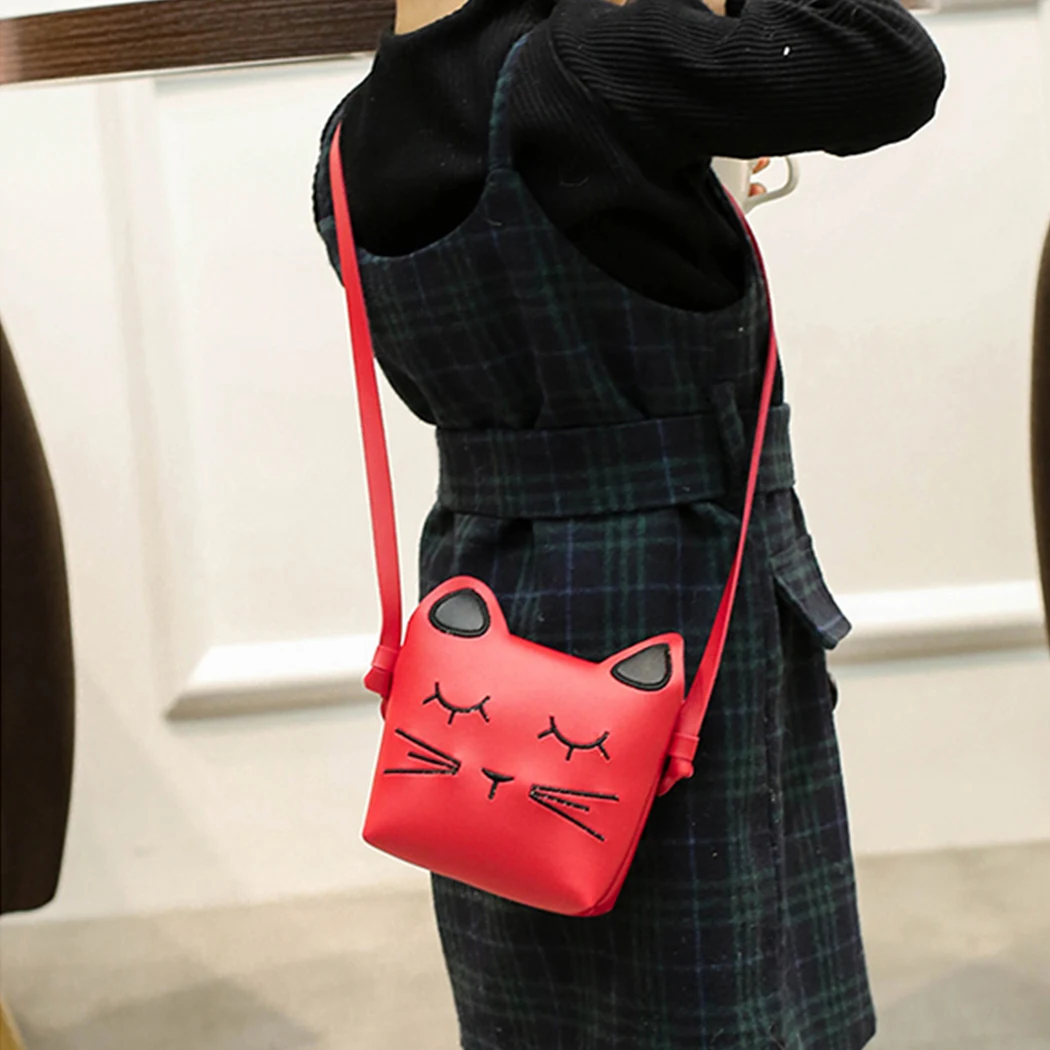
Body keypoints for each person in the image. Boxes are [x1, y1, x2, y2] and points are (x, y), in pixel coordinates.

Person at [312, 0, 945, 1046]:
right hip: (674, 588)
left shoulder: (349, 141)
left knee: (530, 958)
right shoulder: (592, 65)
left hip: (481, 608)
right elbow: (892, 64)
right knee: (719, 977)